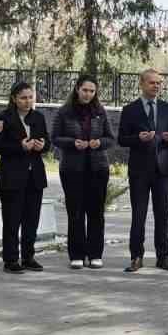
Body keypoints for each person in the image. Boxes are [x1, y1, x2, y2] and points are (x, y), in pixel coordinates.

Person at [118, 68, 168, 273]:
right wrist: (138, 138)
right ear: (142, 84)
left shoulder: (166, 108)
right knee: (139, 215)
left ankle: (163, 257)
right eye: (152, 82)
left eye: (159, 83)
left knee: (162, 215)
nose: (156, 86)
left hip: (162, 169)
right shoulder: (130, 109)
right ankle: (136, 257)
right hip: (139, 170)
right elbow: (121, 139)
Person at [53, 76, 113, 269]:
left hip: (98, 168)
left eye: (92, 91)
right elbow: (55, 138)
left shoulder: (100, 112)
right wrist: (72, 143)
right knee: (76, 212)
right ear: (77, 89)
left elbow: (110, 138)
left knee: (96, 212)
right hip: (72, 169)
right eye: (85, 90)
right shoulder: (64, 112)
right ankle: (76, 254)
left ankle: (95, 253)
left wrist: (98, 143)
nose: (88, 94)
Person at [0, 80, 49, 273]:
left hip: (35, 176)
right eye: (23, 98)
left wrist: (42, 146)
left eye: (30, 97)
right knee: (12, 220)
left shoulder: (38, 117)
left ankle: (28, 256)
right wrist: (20, 147)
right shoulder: (4, 117)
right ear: (14, 99)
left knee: (32, 219)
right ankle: (10, 259)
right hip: (12, 176)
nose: (27, 101)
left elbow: (46, 142)